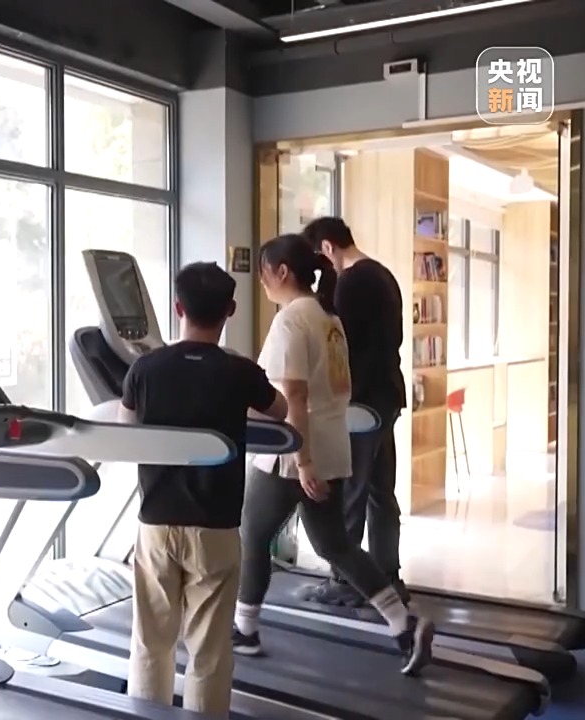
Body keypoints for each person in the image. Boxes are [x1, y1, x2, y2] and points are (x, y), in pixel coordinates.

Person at [232, 234, 433, 676]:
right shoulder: (329, 318)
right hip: (332, 445)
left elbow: (294, 396)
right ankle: (403, 624)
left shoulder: (291, 321)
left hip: (292, 452)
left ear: (282, 272)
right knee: (334, 544)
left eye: (263, 273)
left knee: (252, 532)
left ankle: (244, 629)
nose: (262, 282)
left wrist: (302, 461)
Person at [119, 261, 288, 716]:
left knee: (150, 641)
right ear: (230, 310)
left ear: (178, 308)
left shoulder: (144, 368)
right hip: (216, 526)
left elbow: (125, 429)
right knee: (209, 650)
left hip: (157, 523)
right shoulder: (240, 372)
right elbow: (280, 409)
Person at [301, 216, 409, 607]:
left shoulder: (351, 282)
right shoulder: (382, 274)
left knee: (350, 493)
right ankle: (387, 575)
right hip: (387, 395)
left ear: (328, 247)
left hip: (360, 400)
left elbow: (341, 345)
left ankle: (347, 581)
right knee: (381, 493)